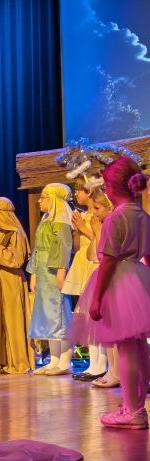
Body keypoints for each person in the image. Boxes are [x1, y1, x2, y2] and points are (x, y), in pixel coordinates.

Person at [70, 158, 150, 429]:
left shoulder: (116, 217)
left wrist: (97, 297)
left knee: (126, 348)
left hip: (118, 282)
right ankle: (137, 406)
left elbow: (108, 261)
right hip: (138, 278)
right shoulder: (143, 215)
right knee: (140, 347)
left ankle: (132, 411)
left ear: (112, 187)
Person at [0, 197, 35, 374]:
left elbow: (16, 261)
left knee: (12, 319)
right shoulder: (0, 234)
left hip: (11, 281)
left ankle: (17, 362)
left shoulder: (16, 234)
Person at [27, 184, 74, 376]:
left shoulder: (61, 223)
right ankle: (54, 360)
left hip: (55, 274)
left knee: (60, 315)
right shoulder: (45, 220)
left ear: (54, 199)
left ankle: (65, 362)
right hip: (43, 273)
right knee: (48, 316)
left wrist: (61, 274)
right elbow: (37, 249)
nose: (40, 200)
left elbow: (63, 248)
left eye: (44, 197)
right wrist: (33, 274)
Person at [64, 174, 107, 382]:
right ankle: (93, 363)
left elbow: (100, 242)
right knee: (87, 316)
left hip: (95, 263)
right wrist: (76, 230)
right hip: (83, 261)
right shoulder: (82, 215)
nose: (76, 194)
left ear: (89, 191)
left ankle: (101, 364)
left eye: (78, 190)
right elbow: (76, 247)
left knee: (97, 315)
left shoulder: (100, 216)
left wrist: (83, 229)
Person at [83, 191, 119, 389]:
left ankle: (117, 372)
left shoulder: (112, 225)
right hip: (103, 277)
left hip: (114, 278)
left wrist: (97, 232)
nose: (94, 212)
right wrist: (95, 232)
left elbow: (101, 256)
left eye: (97, 208)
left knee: (116, 330)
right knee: (108, 330)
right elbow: (90, 255)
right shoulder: (103, 225)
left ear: (109, 208)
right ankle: (112, 370)